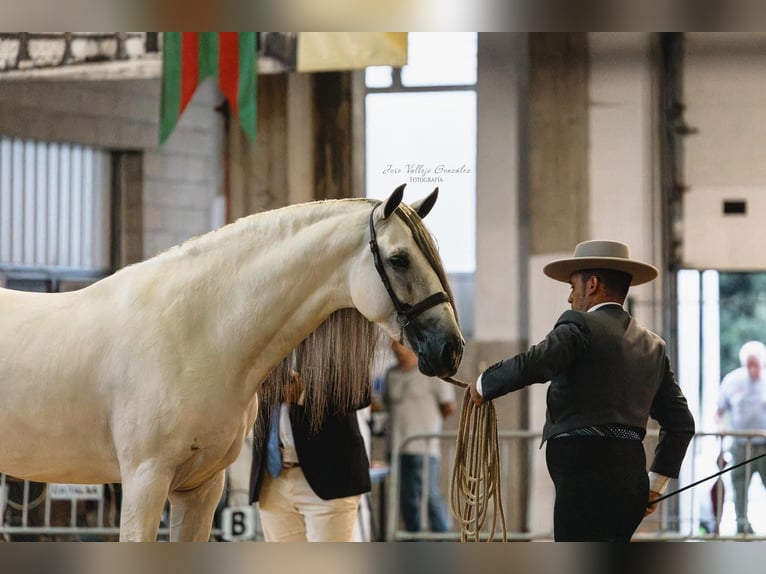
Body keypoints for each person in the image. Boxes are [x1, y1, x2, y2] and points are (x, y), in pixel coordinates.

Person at [469, 240, 696, 542]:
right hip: (632, 477)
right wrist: (655, 483)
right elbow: (681, 424)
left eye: (573, 285)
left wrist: (485, 383)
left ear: (592, 284)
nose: (569, 296)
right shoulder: (654, 346)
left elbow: (537, 362)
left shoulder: (580, 325)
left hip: (582, 475)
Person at [249, 368, 371, 542]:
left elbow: (361, 392)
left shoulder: (335, 340)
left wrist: (304, 393)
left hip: (330, 476)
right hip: (272, 479)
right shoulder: (260, 342)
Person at [383, 340, 456, 534]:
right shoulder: (391, 375)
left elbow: (448, 406)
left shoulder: (432, 374)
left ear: (411, 346)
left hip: (424, 449)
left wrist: (427, 424)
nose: (395, 349)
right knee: (407, 502)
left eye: (398, 344)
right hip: (397, 448)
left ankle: (443, 540)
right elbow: (385, 405)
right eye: (393, 345)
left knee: (431, 497)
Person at [716, 340, 766, 534]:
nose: (753, 369)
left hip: (764, 445)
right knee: (739, 487)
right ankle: (742, 525)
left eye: (757, 364)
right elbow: (719, 412)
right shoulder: (732, 380)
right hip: (740, 445)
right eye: (749, 364)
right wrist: (720, 429)